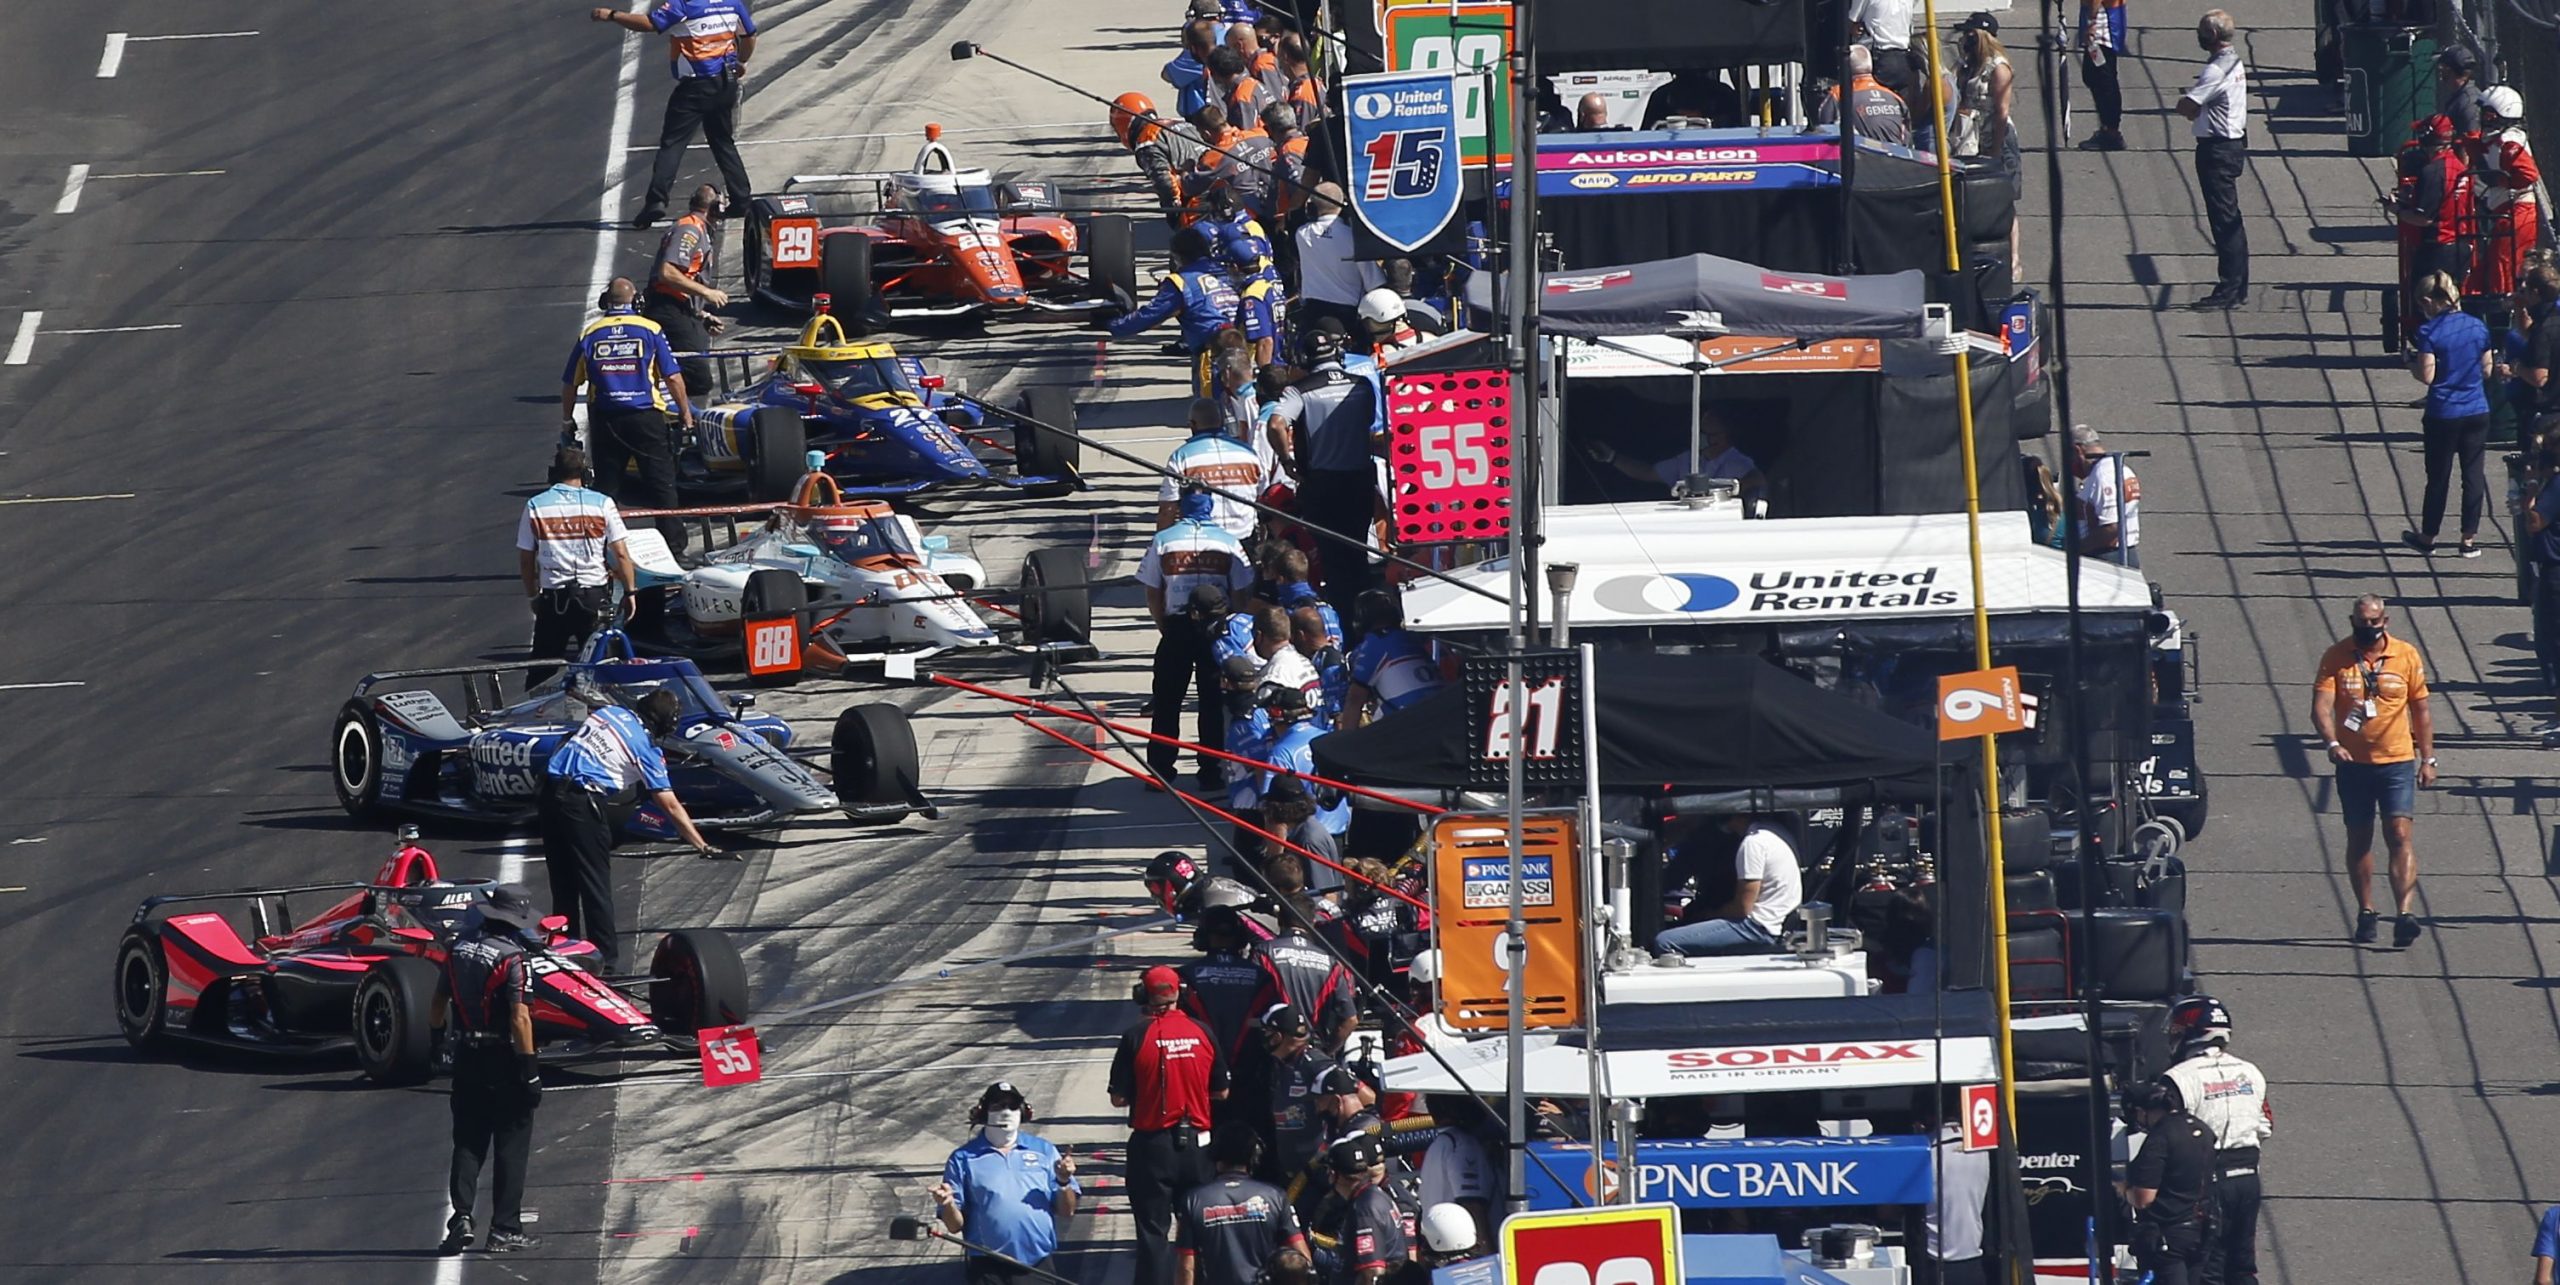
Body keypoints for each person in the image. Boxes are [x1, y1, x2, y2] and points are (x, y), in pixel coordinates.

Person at [538, 688, 715, 970]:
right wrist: (701, 844)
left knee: (563, 884)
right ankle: (608, 968)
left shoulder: (611, 712)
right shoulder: (647, 749)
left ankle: (562, 955)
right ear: (663, 723)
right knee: (595, 886)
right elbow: (669, 805)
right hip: (582, 804)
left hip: (548, 794)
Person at [2309, 594, 2436, 947]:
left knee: (2399, 834)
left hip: (2396, 761)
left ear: (2386, 621)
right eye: (2361, 622)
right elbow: (2321, 707)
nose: (2368, 628)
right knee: (2360, 839)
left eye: (2374, 623)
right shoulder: (2336, 657)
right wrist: (2333, 743)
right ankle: (2366, 910)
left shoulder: (2406, 655)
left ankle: (2405, 913)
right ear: (2352, 620)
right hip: (2354, 765)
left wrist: (2427, 759)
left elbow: (2421, 710)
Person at [433, 884, 547, 1255]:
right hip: (503, 1058)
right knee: (512, 1144)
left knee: (468, 1140)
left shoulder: (458, 950)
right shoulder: (513, 959)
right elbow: (520, 1018)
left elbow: (437, 1004)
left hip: (467, 1054)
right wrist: (529, 1069)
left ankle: (462, 1215)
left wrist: (439, 1044)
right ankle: (504, 1229)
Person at [1110, 964, 1232, 1285]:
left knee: (1153, 1232)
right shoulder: (1203, 1031)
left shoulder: (1136, 1036)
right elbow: (1222, 1091)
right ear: (1180, 994)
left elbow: (1118, 1099)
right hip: (1198, 1145)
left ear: (1144, 996)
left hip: (1153, 1145)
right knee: (1202, 1226)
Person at [592, 0, 755, 228]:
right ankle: (741, 199)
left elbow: (649, 23)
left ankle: (656, 202)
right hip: (725, 84)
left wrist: (612, 15)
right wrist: (741, 62)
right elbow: (749, 36)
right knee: (722, 142)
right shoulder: (731, 3)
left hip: (695, 87)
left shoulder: (684, 5)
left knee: (673, 143)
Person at [563, 278, 694, 555]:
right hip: (646, 417)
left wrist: (567, 420)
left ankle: (600, 548)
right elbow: (673, 377)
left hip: (607, 419)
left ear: (605, 303)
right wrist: (685, 413)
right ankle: (674, 549)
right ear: (636, 302)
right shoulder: (651, 329)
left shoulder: (590, 333)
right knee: (662, 484)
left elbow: (570, 383)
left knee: (606, 489)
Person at [1144, 492, 1257, 787]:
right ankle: (1210, 771)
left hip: (1176, 626)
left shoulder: (1163, 540)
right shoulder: (1228, 541)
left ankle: (1159, 771)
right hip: (1216, 627)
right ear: (1210, 508)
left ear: (1181, 508)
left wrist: (1164, 626)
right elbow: (1241, 591)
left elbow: (1153, 590)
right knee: (1212, 702)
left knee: (1167, 701)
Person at [2158, 996, 2271, 1285]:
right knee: (2243, 1265)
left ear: (2189, 1032)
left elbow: (2167, 1134)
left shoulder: (2177, 1078)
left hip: (2207, 1182)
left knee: (2208, 1268)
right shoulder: (2250, 1071)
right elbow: (2266, 1125)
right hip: (2248, 1177)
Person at [1272, 329, 1384, 613]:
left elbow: (1275, 424)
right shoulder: (1362, 385)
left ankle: (1344, 618)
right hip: (1359, 481)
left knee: (1333, 560)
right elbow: (1369, 422)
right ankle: (1365, 612)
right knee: (1357, 551)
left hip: (1322, 486)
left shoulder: (1300, 390)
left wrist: (1286, 460)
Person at [932, 1082, 1079, 1284]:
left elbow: (1067, 1211)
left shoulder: (1044, 1151)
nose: (1006, 1112)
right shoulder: (963, 1158)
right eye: (998, 1106)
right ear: (984, 1113)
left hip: (1037, 1263)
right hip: (987, 1266)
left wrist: (1064, 1182)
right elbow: (954, 1226)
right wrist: (947, 1203)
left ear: (1023, 1111)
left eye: (1012, 1106)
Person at [518, 448, 638, 686]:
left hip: (554, 600)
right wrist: (631, 591)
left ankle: (535, 716)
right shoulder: (602, 503)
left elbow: (526, 559)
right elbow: (622, 554)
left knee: (542, 670)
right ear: (586, 474)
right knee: (602, 667)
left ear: (553, 473)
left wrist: (533, 595)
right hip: (593, 597)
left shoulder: (535, 505)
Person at [2403, 270, 2495, 556]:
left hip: (2443, 411)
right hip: (2477, 408)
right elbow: (2487, 369)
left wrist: (2410, 363)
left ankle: (2429, 536)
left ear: (2429, 301)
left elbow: (2428, 376)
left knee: (2439, 476)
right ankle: (2468, 540)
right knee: (2473, 474)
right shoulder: (2477, 326)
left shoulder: (2429, 332)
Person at [1110, 226, 1242, 398]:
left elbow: (1149, 316)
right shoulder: (1227, 271)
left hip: (1213, 356)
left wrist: (1112, 325)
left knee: (1211, 412)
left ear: (1178, 257)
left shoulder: (1180, 282)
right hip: (1244, 351)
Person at [2179, 10, 2251, 309]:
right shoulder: (2233, 61)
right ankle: (2238, 285)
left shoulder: (2215, 70)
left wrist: (2185, 102)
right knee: (2229, 217)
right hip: (2232, 143)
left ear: (2211, 36)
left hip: (2217, 149)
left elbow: (2188, 106)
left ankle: (2229, 288)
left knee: (2224, 220)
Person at [1655, 813, 1803, 956]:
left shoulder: (1752, 844)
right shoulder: (1775, 831)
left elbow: (1742, 908)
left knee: (1664, 941)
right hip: (1777, 921)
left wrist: (1708, 916)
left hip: (1757, 928)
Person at [1176, 1129, 1308, 1285]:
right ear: (1254, 1157)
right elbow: (1301, 1259)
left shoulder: (1194, 1200)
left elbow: (1186, 1266)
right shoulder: (1276, 1196)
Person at [1256, 1004, 1370, 1180]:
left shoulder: (1315, 1063)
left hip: (1317, 1173)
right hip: (1293, 1171)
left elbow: (1368, 1098)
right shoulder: (1282, 1064)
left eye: (1267, 1032)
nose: (1263, 1037)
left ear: (1279, 1036)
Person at [2122, 1078, 2216, 1285]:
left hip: (2169, 1235)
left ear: (2143, 1110)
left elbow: (2144, 1198)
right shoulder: (2202, 1129)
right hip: (2203, 1229)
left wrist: (2123, 1190)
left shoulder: (2160, 1138)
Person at [644, 186, 730, 399]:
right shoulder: (690, 230)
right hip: (666, 307)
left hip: (678, 307)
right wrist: (706, 293)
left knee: (695, 369)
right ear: (714, 208)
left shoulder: (697, 229)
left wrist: (702, 315)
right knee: (698, 378)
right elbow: (668, 272)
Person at [1587, 413, 1766, 504]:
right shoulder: (1687, 459)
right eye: (1701, 432)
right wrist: (1612, 457)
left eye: (1709, 433)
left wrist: (1726, 491)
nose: (1703, 437)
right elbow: (1648, 472)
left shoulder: (1737, 460)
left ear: (1724, 435)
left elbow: (1758, 479)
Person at [1254, 913, 1360, 1051]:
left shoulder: (1263, 952)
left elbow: (1248, 1004)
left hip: (1274, 1049)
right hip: (1312, 1050)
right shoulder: (1331, 962)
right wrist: (1327, 1052)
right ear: (1312, 922)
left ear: (1279, 920)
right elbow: (1350, 1020)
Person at [1313, 1134, 1409, 1285]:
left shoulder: (1365, 1208)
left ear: (1333, 1174)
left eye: (1328, 1170)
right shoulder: (1373, 1196)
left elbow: (1373, 1274)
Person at [1163, 399, 1266, 539]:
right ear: (1222, 422)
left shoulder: (1181, 457)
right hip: (1245, 536)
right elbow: (1263, 496)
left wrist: (1161, 545)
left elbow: (1168, 508)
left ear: (1192, 425)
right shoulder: (1248, 453)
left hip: (1202, 540)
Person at [1293, 184, 1385, 339]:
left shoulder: (1302, 234)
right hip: (1347, 315)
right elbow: (1374, 282)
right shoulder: (1353, 238)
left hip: (1313, 311)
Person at [2475, 87, 2542, 299]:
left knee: (2504, 266)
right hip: (2507, 209)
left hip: (2517, 210)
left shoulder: (2510, 141)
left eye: (2488, 114)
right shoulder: (2499, 139)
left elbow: (2528, 174)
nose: (2484, 119)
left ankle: (2504, 312)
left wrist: (2501, 180)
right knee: (2499, 263)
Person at [1344, 590, 1443, 727]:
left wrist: (1345, 742)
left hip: (1413, 725)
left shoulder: (1374, 643)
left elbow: (1354, 699)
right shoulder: (1413, 638)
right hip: (1443, 712)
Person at [1926, 1098, 1993, 1285]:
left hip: (1936, 1265)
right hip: (1974, 1262)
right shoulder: (1982, 1147)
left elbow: (1889, 1211)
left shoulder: (1925, 1151)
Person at [1117, 91, 1209, 225]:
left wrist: (1173, 208)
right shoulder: (1182, 124)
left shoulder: (1146, 141)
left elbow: (1164, 180)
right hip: (1218, 185)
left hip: (1195, 200)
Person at [2068, 424, 2143, 568]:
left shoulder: (2103, 475)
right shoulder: (2119, 469)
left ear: (2077, 451)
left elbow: (2111, 527)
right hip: (2120, 554)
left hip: (2107, 559)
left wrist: (2076, 549)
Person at [1817, 46, 1912, 146]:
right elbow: (1907, 138)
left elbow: (1823, 128)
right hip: (1895, 158)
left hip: (1860, 157)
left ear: (1844, 68)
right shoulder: (1895, 98)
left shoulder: (1838, 94)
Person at [2079, 0, 2128, 151]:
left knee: (2103, 78)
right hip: (2102, 14)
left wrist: (2091, 21)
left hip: (2102, 20)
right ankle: (2108, 128)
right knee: (2092, 75)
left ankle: (2111, 131)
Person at [1165, 19, 1219, 118]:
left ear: (1192, 47)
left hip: (1199, 115)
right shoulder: (1225, 55)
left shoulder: (1192, 58)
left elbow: (1167, 75)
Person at [2438, 46, 2484, 141]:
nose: (2440, 68)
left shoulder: (2470, 101)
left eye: (2443, 65)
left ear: (2450, 69)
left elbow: (2472, 142)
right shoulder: (2459, 95)